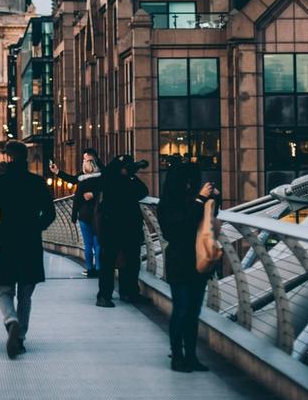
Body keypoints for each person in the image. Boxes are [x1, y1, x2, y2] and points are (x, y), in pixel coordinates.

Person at [0, 140, 56, 359]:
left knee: (5, 290)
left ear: (8, 158)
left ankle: (11, 321)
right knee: (25, 294)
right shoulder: (36, 182)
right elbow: (50, 213)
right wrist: (36, 227)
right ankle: (20, 338)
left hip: (8, 242)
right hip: (30, 242)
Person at [158, 158, 216, 372]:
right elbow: (180, 227)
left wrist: (213, 201)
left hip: (198, 263)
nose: (192, 185)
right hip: (179, 261)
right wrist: (200, 200)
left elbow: (207, 223)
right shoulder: (168, 204)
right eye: (189, 181)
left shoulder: (193, 200)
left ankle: (191, 356)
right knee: (181, 310)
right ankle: (177, 356)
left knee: (193, 312)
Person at [93, 155, 149, 307]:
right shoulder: (109, 180)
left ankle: (127, 292)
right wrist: (129, 176)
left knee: (130, 261)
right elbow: (140, 191)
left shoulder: (120, 179)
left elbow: (143, 191)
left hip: (126, 227)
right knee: (110, 263)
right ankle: (106, 295)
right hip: (114, 227)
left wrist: (130, 175)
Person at [49, 148, 101, 276]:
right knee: (97, 243)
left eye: (85, 159)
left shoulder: (82, 179)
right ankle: (100, 269)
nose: (83, 161)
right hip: (98, 214)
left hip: (84, 215)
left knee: (88, 243)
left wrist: (73, 216)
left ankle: (89, 269)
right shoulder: (102, 177)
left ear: (91, 160)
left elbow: (77, 198)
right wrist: (58, 172)